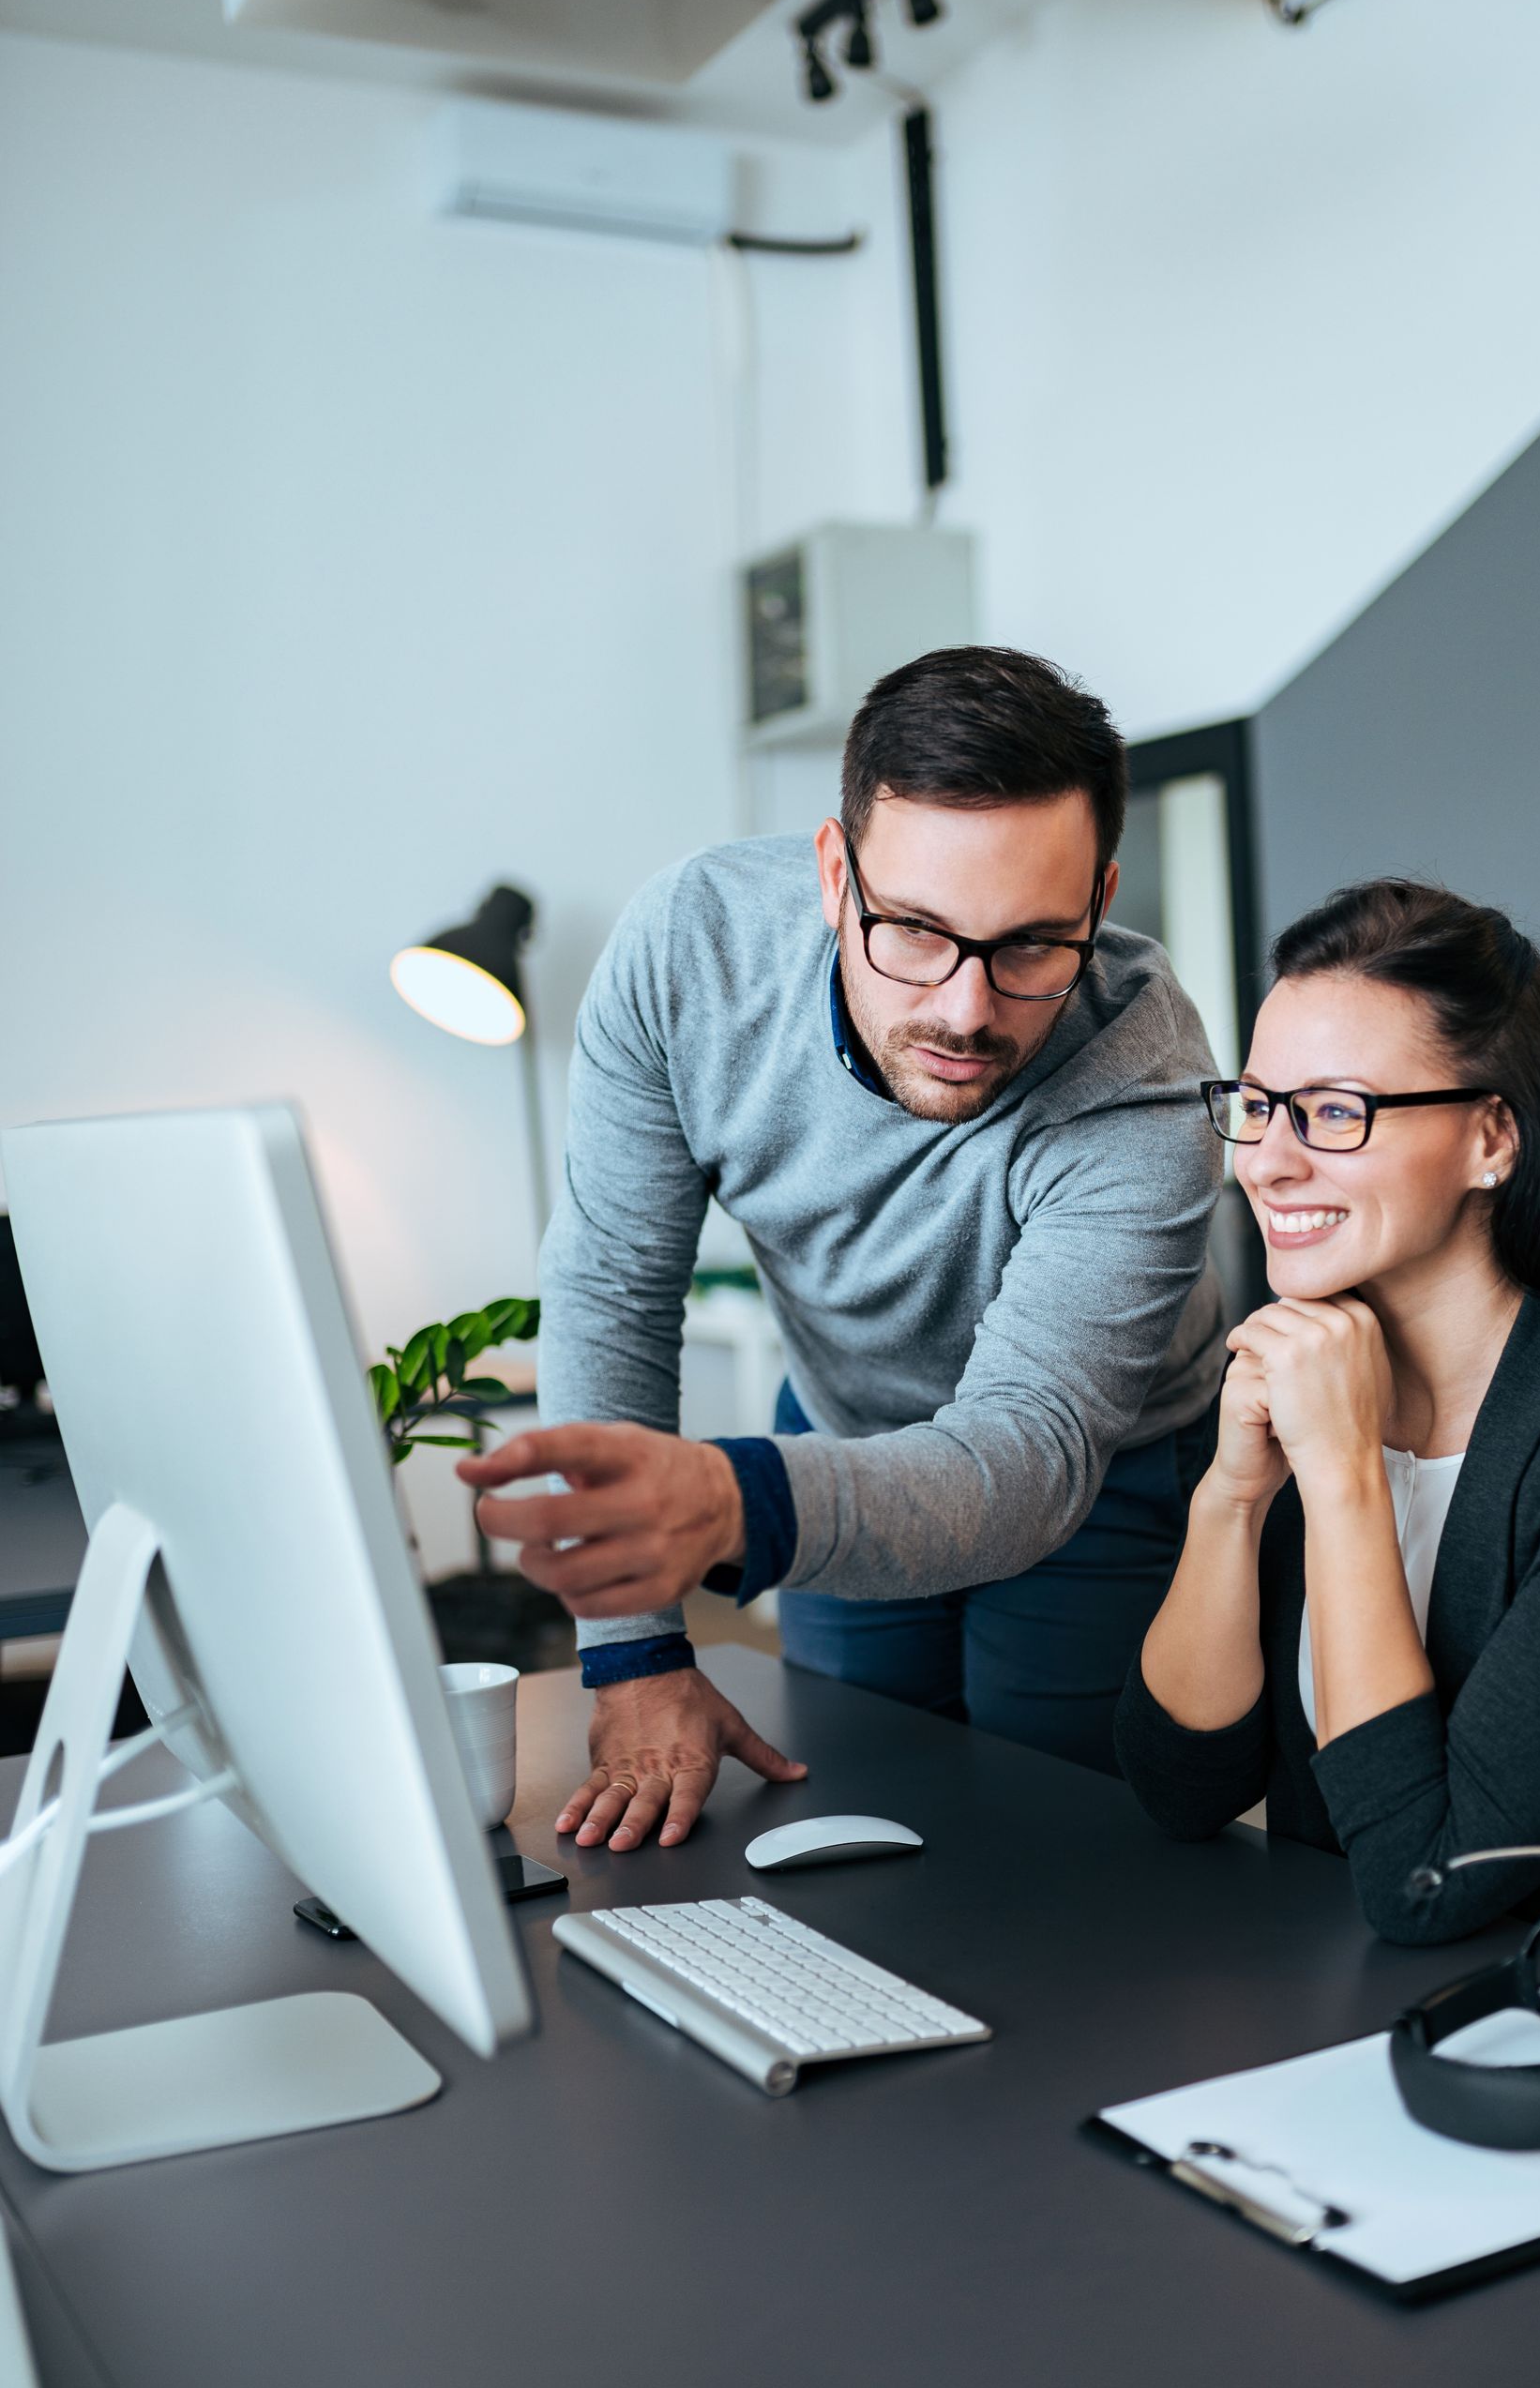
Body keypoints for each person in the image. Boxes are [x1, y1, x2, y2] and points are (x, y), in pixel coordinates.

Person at [462, 646, 1227, 1848]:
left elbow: (1023, 1453)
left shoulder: (1144, 1082)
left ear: (1100, 897)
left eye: (1032, 943)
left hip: (1103, 1463)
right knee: (861, 1805)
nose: (968, 1010)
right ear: (835, 873)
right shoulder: (691, 953)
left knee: (1065, 1849)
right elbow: (614, 1280)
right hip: (840, 1415)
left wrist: (727, 1499)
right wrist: (635, 1650)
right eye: (916, 931)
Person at [1116, 877, 1540, 1943]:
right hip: (1357, 2021)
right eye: (1257, 1104)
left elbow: (1428, 1881)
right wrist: (1234, 1498)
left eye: (1337, 1110)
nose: (1267, 1159)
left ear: (1493, 1137)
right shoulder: (1309, 1373)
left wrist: (1343, 1479)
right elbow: (1179, 1785)